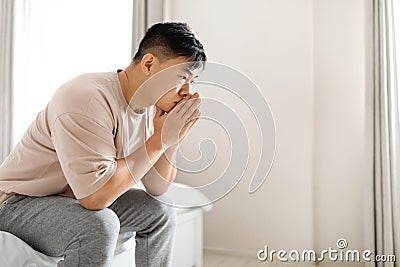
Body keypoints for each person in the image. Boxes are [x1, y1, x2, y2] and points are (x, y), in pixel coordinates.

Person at [0, 22, 206, 266]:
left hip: (69, 199)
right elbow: (94, 198)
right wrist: (158, 141)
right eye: (182, 78)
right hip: (17, 204)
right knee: (101, 225)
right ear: (149, 64)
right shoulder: (86, 98)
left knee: (160, 212)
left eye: (192, 81)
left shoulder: (149, 107)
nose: (187, 92)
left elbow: (157, 187)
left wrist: (169, 138)